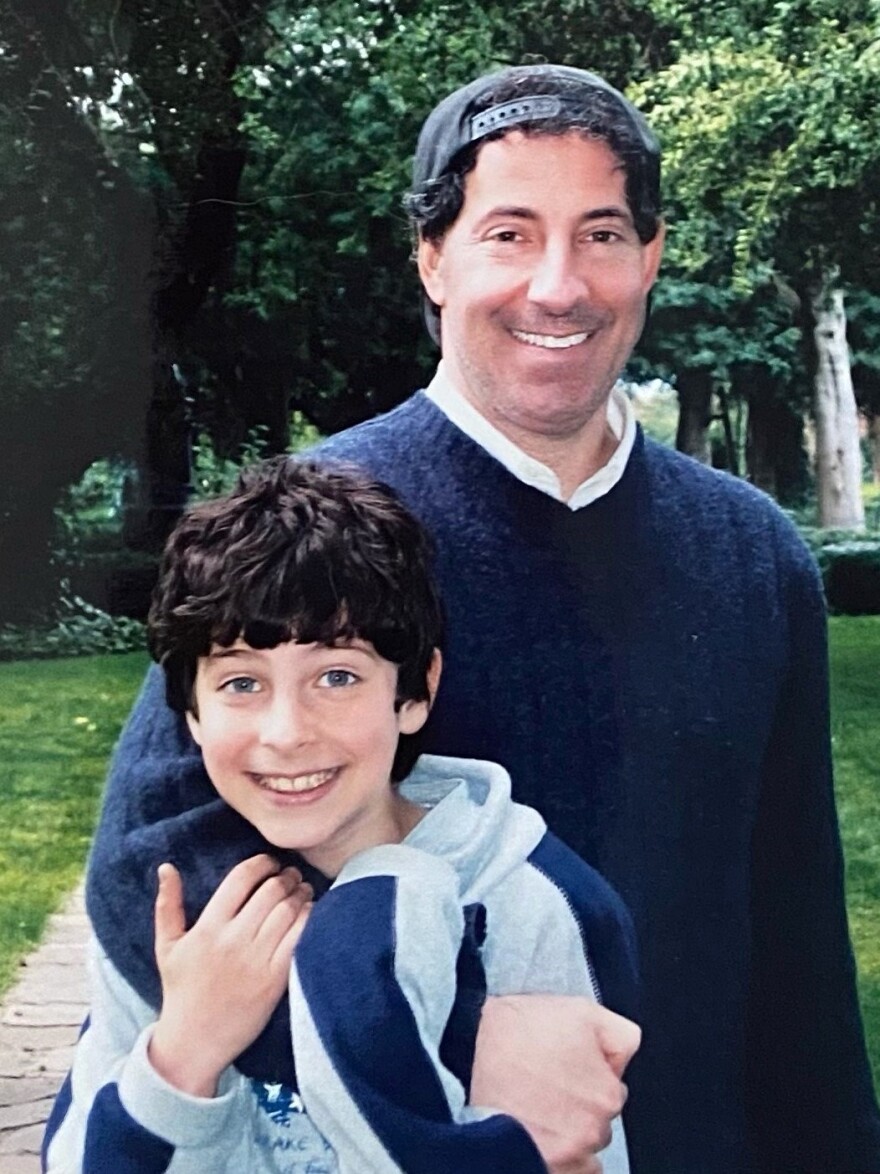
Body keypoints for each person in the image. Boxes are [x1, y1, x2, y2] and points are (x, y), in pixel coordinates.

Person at [75, 62, 880, 1171]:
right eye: (508, 232)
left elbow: (793, 944)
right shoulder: (308, 526)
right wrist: (470, 1026)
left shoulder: (752, 554)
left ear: (649, 256)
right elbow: (157, 872)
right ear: (432, 258)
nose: (559, 284)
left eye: (599, 233)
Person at [42, 457, 640, 1174]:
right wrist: (186, 1050)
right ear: (189, 712)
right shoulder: (183, 907)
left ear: (417, 690)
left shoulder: (531, 904)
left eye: (337, 676)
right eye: (240, 682)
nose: (287, 731)